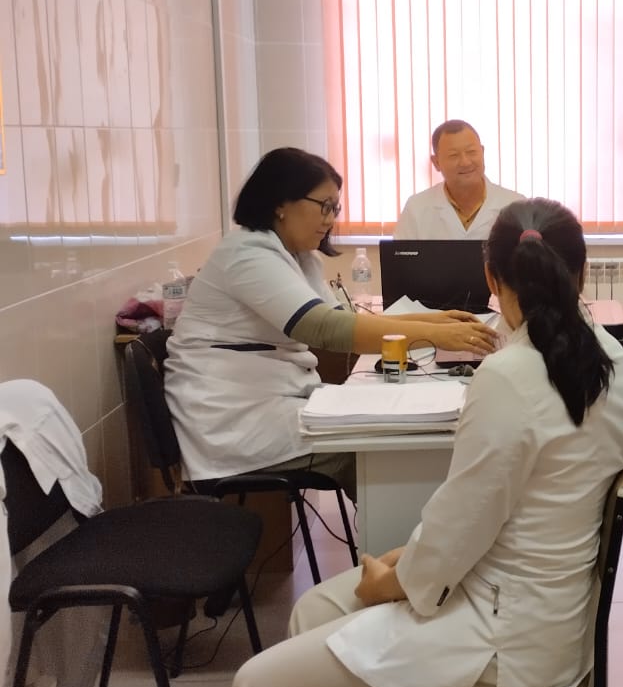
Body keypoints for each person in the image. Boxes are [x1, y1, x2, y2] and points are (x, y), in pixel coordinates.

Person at [232, 198, 623, 687]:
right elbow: (477, 517)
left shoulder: (511, 376)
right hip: (534, 603)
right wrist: (406, 565)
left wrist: (394, 582)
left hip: (503, 631)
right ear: (582, 271)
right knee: (313, 610)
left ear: (491, 279)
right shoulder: (612, 356)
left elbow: (464, 526)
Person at [165, 148, 498, 497]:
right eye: (324, 206)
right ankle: (397, 532)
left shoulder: (297, 256)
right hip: (234, 419)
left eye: (335, 209)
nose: (330, 219)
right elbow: (323, 329)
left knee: (395, 434)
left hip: (269, 402)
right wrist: (437, 335)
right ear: (281, 203)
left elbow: (342, 319)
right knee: (384, 451)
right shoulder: (246, 254)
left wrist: (435, 320)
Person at [394, 119, 524, 239]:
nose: (465, 162)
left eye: (471, 152)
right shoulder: (416, 208)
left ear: (482, 152)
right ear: (436, 162)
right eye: (454, 155)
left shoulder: (516, 205)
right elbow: (401, 256)